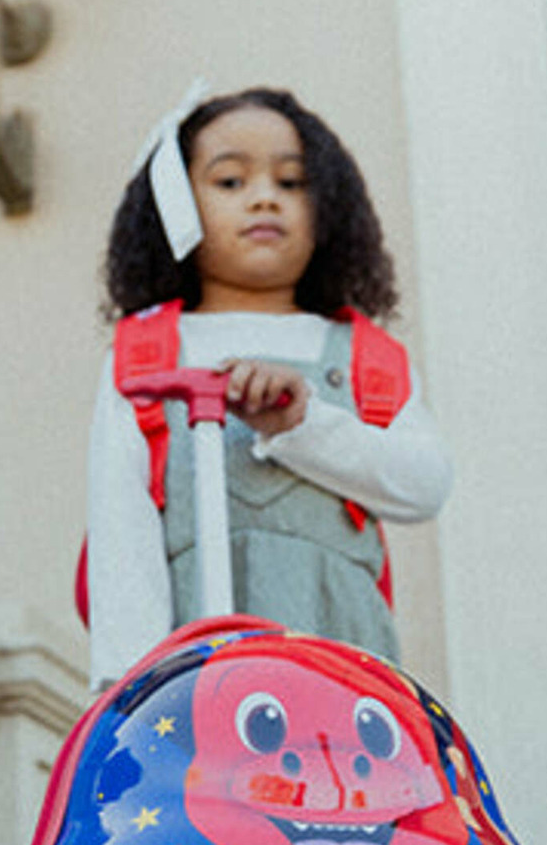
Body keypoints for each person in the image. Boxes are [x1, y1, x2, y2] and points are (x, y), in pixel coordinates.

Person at [85, 83, 451, 691]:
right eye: (230, 181)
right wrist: (129, 693)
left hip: (343, 670)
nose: (264, 198)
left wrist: (301, 426)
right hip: (196, 677)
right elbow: (122, 533)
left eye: (291, 182)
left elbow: (424, 484)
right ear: (175, 203)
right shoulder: (145, 353)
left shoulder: (365, 355)